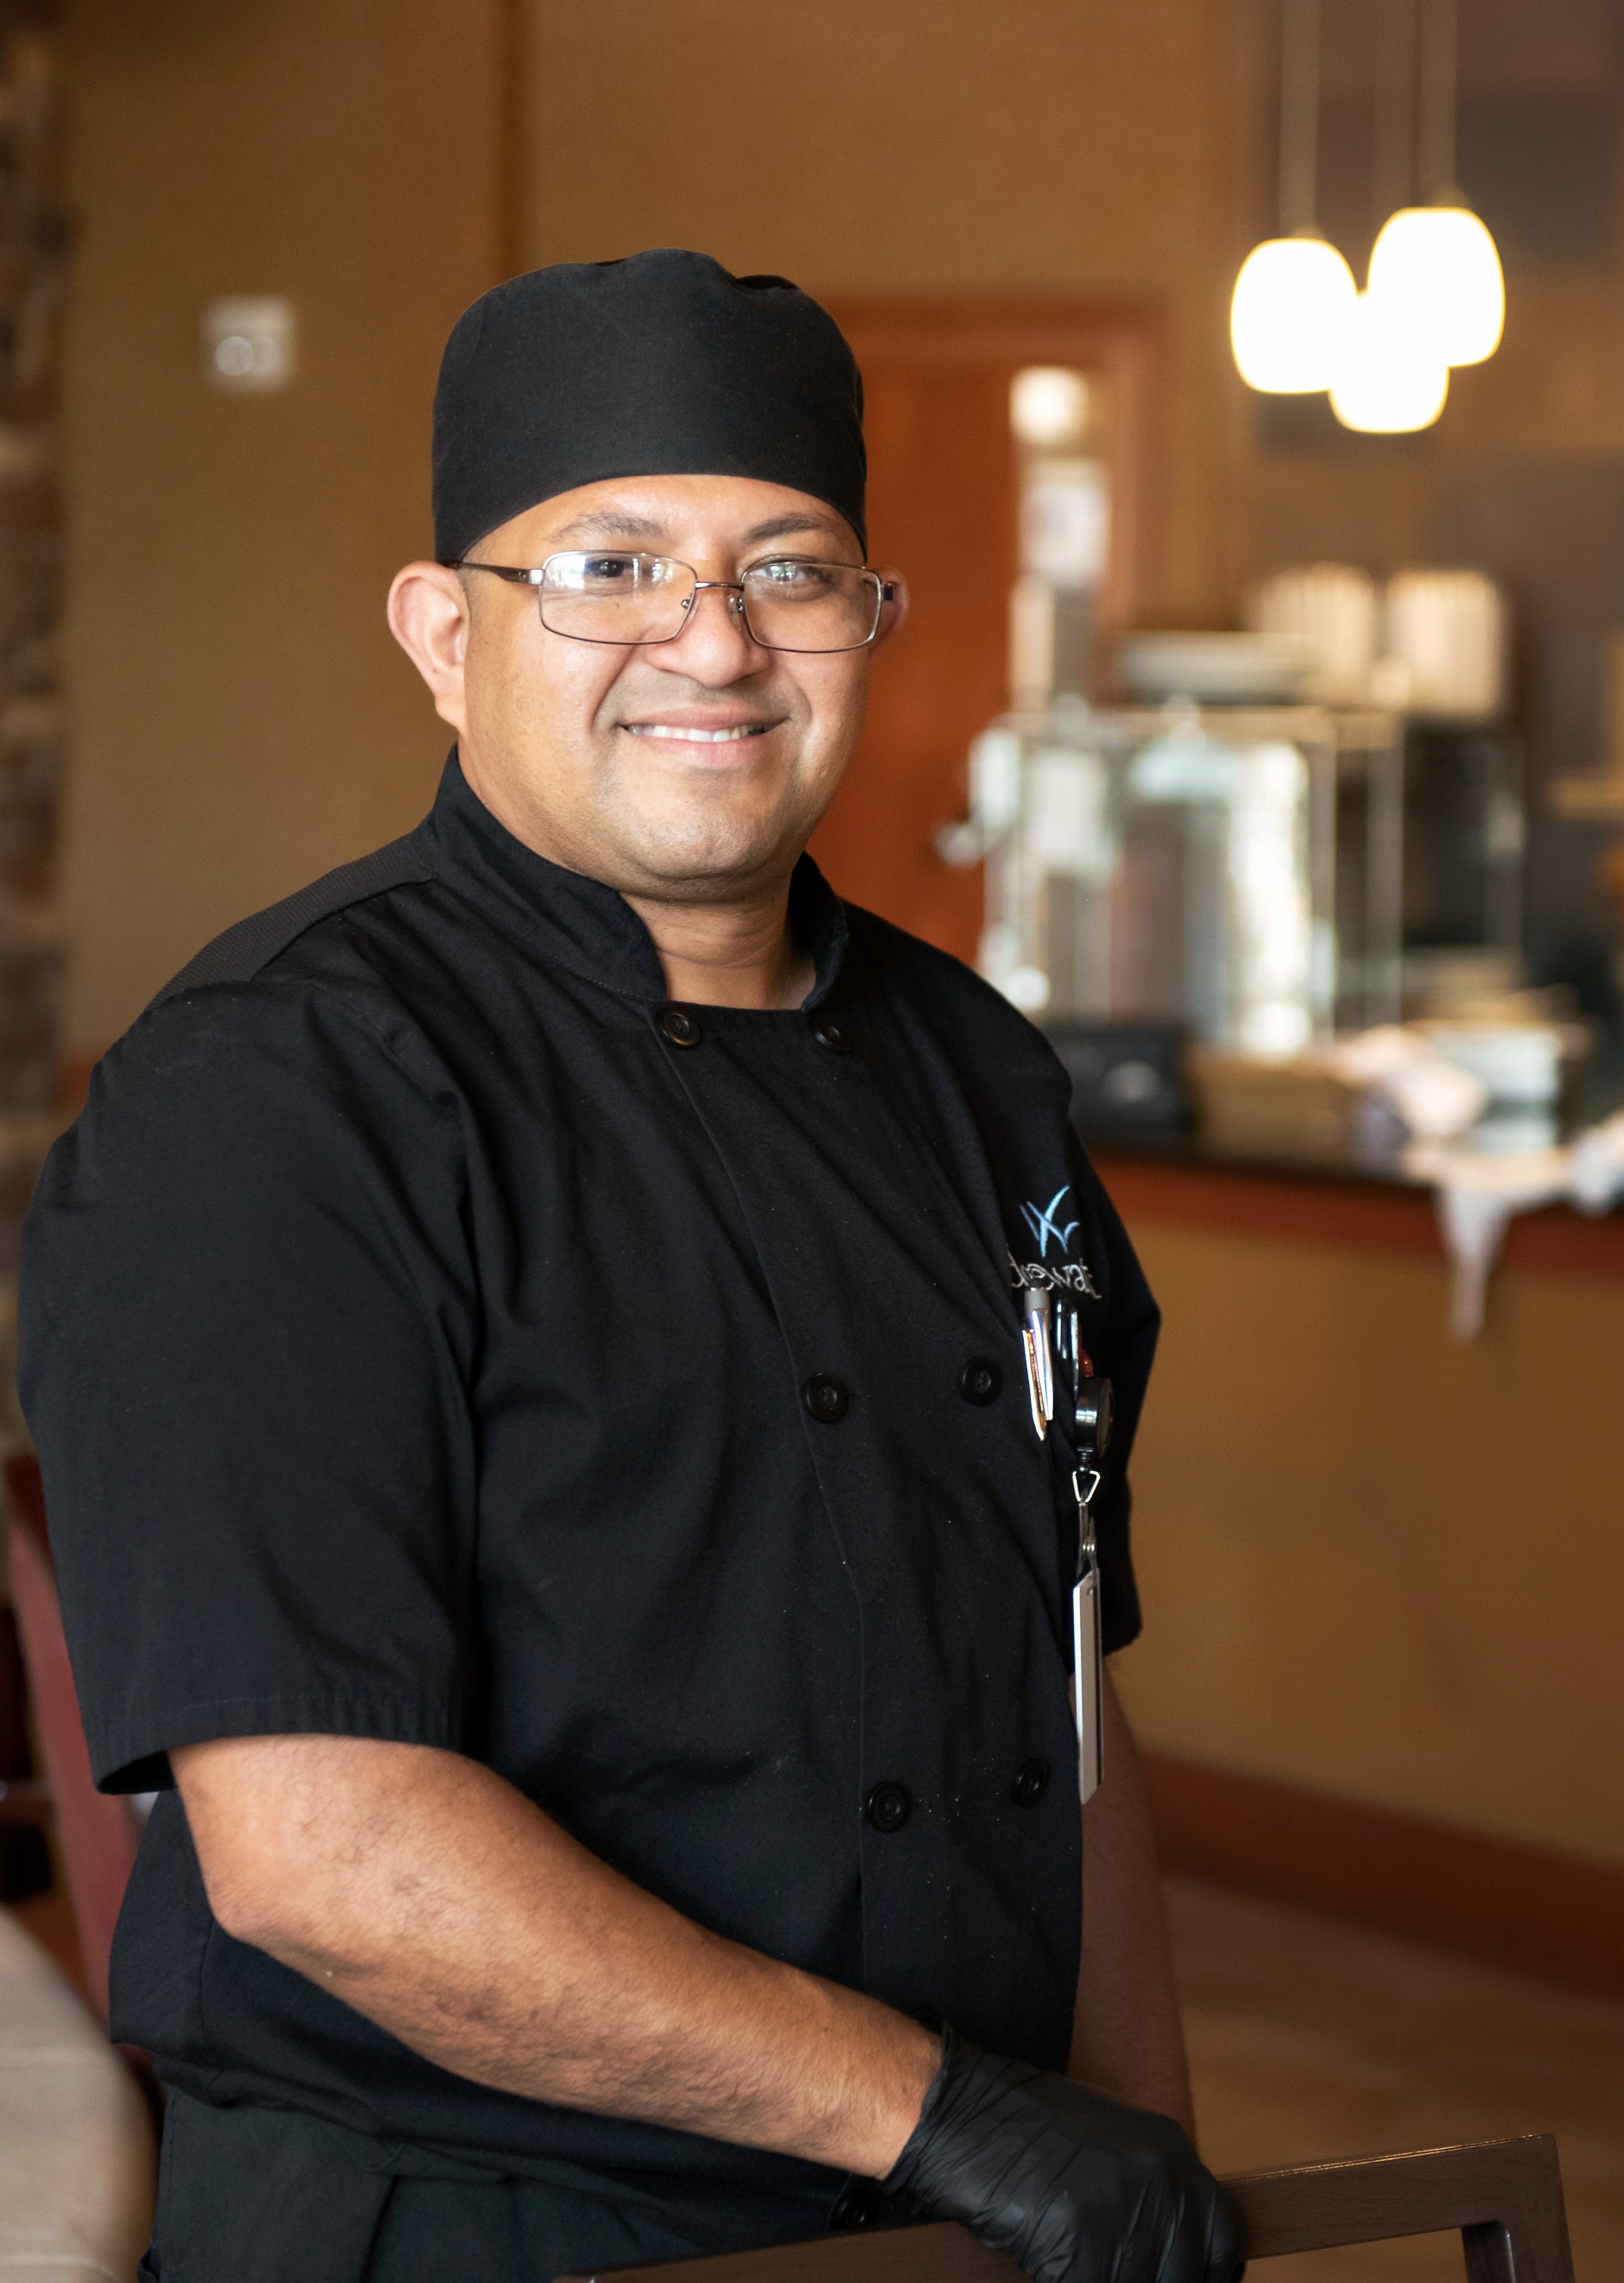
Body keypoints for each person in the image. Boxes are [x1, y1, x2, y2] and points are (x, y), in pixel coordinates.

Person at [21, 250, 1239, 2283]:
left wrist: (1137, 2161)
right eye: (607, 564)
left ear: (872, 624)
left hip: (942, 2225)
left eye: (790, 570)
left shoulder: (977, 1076)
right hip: (469, 2230)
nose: (716, 642)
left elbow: (1070, 1696)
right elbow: (326, 1854)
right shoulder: (273, 1097)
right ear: (440, 634)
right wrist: (955, 2119)